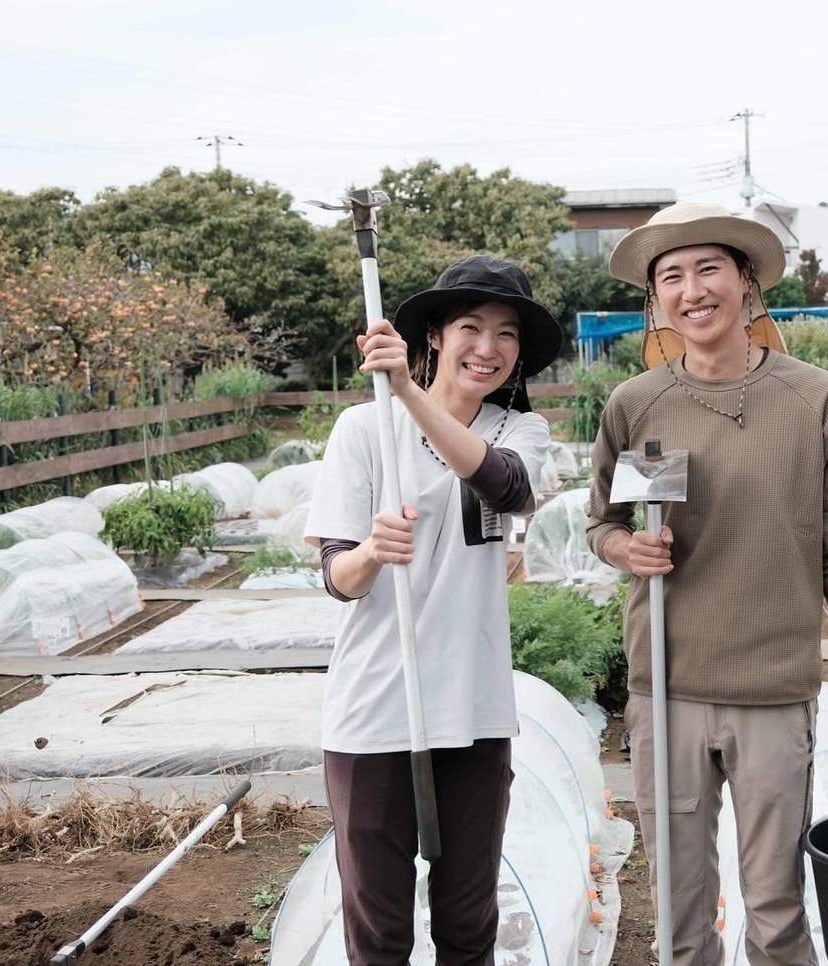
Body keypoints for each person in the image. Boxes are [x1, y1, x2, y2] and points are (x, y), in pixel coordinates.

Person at [584, 203, 828, 966]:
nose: (691, 290)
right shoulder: (636, 405)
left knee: (774, 907)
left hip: (774, 689)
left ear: (746, 282)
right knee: (678, 908)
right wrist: (627, 547)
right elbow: (601, 522)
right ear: (657, 299)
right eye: (672, 276)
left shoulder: (815, 398)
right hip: (668, 689)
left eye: (708, 270)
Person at [304, 254, 563, 963]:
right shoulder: (363, 432)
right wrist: (371, 554)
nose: (488, 348)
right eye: (471, 327)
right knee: (379, 929)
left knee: (467, 919)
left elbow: (504, 486)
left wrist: (408, 394)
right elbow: (336, 575)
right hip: (373, 709)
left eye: (506, 334)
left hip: (475, 708)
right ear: (437, 338)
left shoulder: (521, 434)